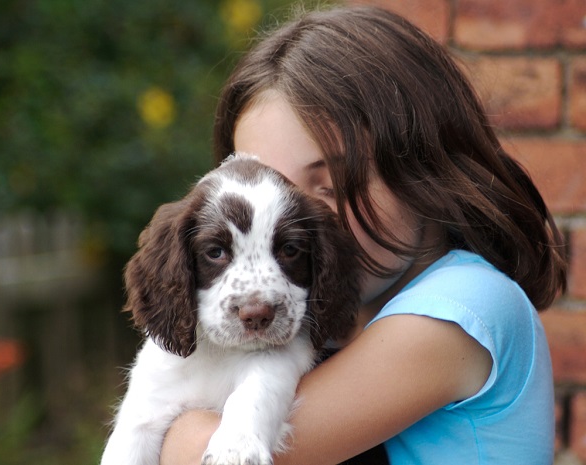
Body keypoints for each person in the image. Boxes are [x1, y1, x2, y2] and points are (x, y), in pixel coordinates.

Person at [160, 5, 567, 465]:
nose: (301, 227)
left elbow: (206, 454)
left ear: (423, 169)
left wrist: (169, 426)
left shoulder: (463, 308)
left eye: (332, 184)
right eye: (271, 198)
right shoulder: (345, 325)